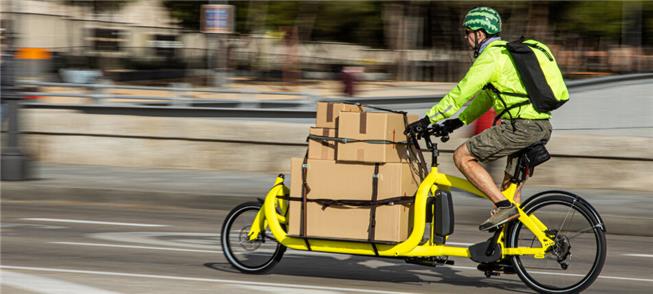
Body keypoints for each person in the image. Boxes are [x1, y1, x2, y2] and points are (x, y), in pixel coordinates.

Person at [406, 7, 568, 231]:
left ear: (479, 34)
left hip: (520, 128)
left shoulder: (490, 57)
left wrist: (427, 120)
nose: (466, 38)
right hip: (539, 126)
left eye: (468, 32)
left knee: (462, 156)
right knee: (510, 191)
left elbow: (462, 92)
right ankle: (507, 254)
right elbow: (486, 97)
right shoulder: (505, 55)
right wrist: (458, 122)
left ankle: (502, 206)